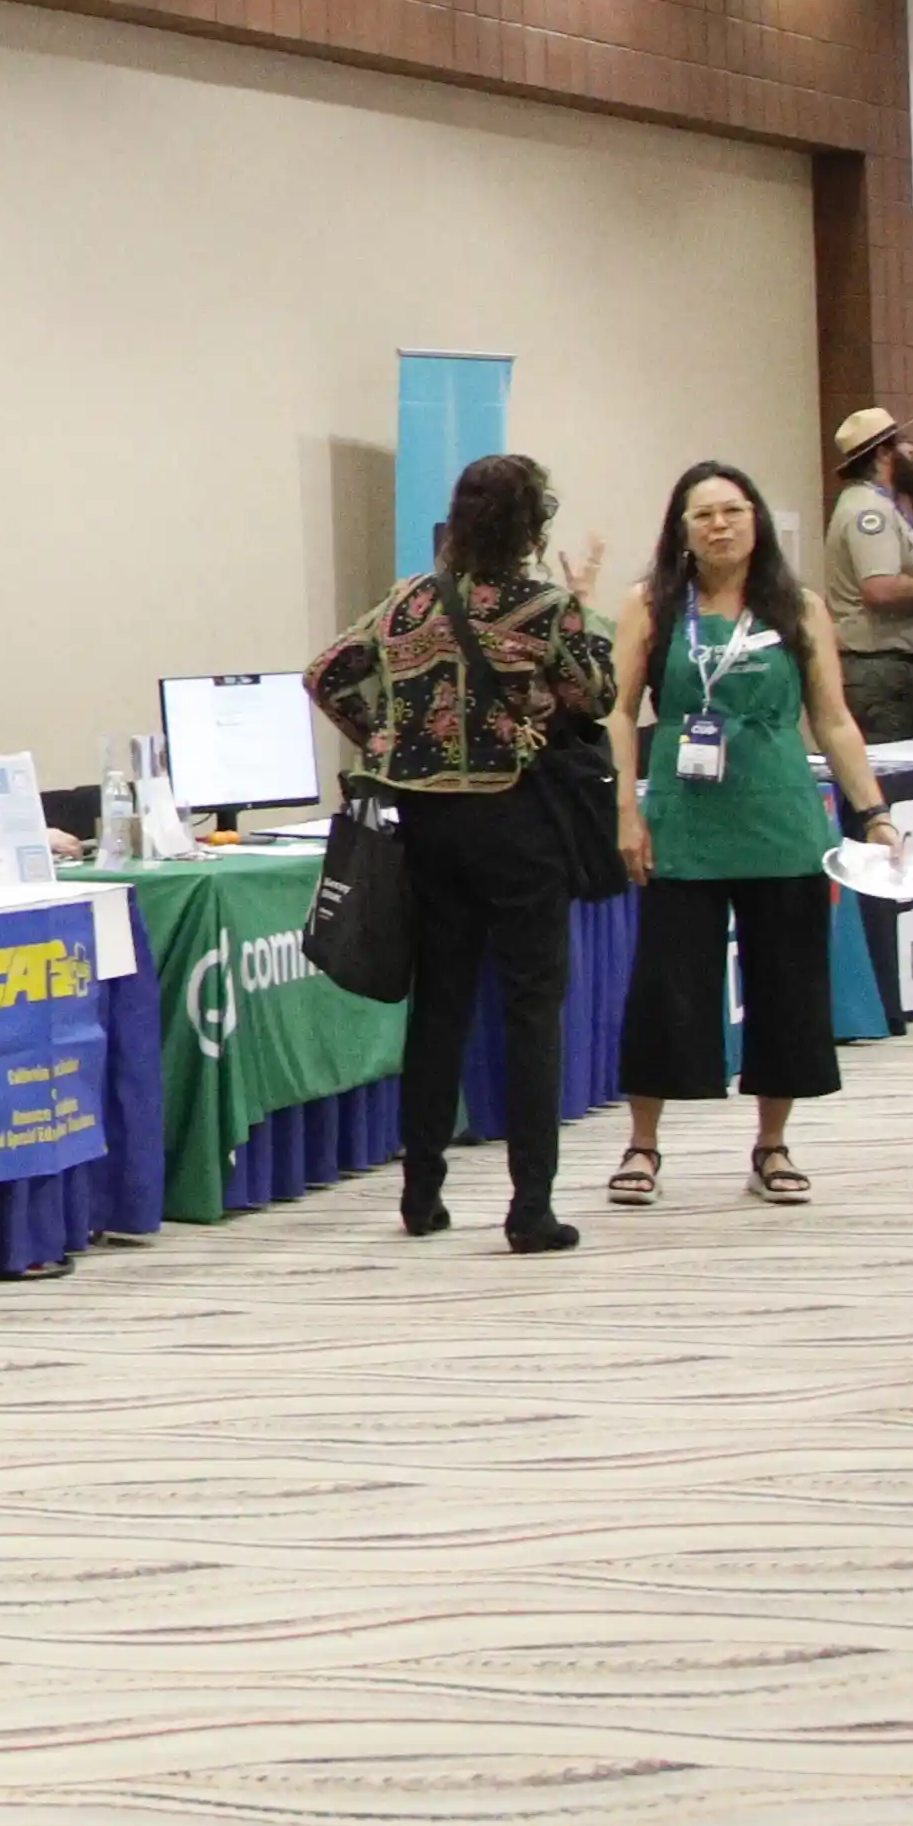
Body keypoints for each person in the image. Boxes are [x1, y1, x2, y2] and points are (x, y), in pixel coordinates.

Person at [306, 449, 616, 1252]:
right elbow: (598, 694)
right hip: (519, 826)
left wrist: (386, 743)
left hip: (428, 830)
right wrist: (583, 602)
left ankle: (421, 1193)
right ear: (533, 525)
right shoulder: (543, 605)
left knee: (439, 1007)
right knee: (530, 1009)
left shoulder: (409, 603)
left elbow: (327, 674)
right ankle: (530, 1207)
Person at [606, 457, 882, 1212]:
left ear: (756, 520)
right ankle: (643, 1143)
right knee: (666, 987)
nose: (719, 525)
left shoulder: (799, 607)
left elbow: (832, 719)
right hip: (685, 823)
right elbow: (621, 712)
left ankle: (771, 1144)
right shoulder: (652, 606)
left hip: (781, 820)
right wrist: (627, 811)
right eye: (703, 516)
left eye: (732, 511)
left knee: (787, 988)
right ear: (682, 531)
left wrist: (875, 811)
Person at [823, 405, 913, 753]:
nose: (912, 452)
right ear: (884, 453)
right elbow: (879, 588)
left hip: (895, 672)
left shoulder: (878, 505)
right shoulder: (869, 512)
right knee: (895, 778)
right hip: (882, 673)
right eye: (904, 444)